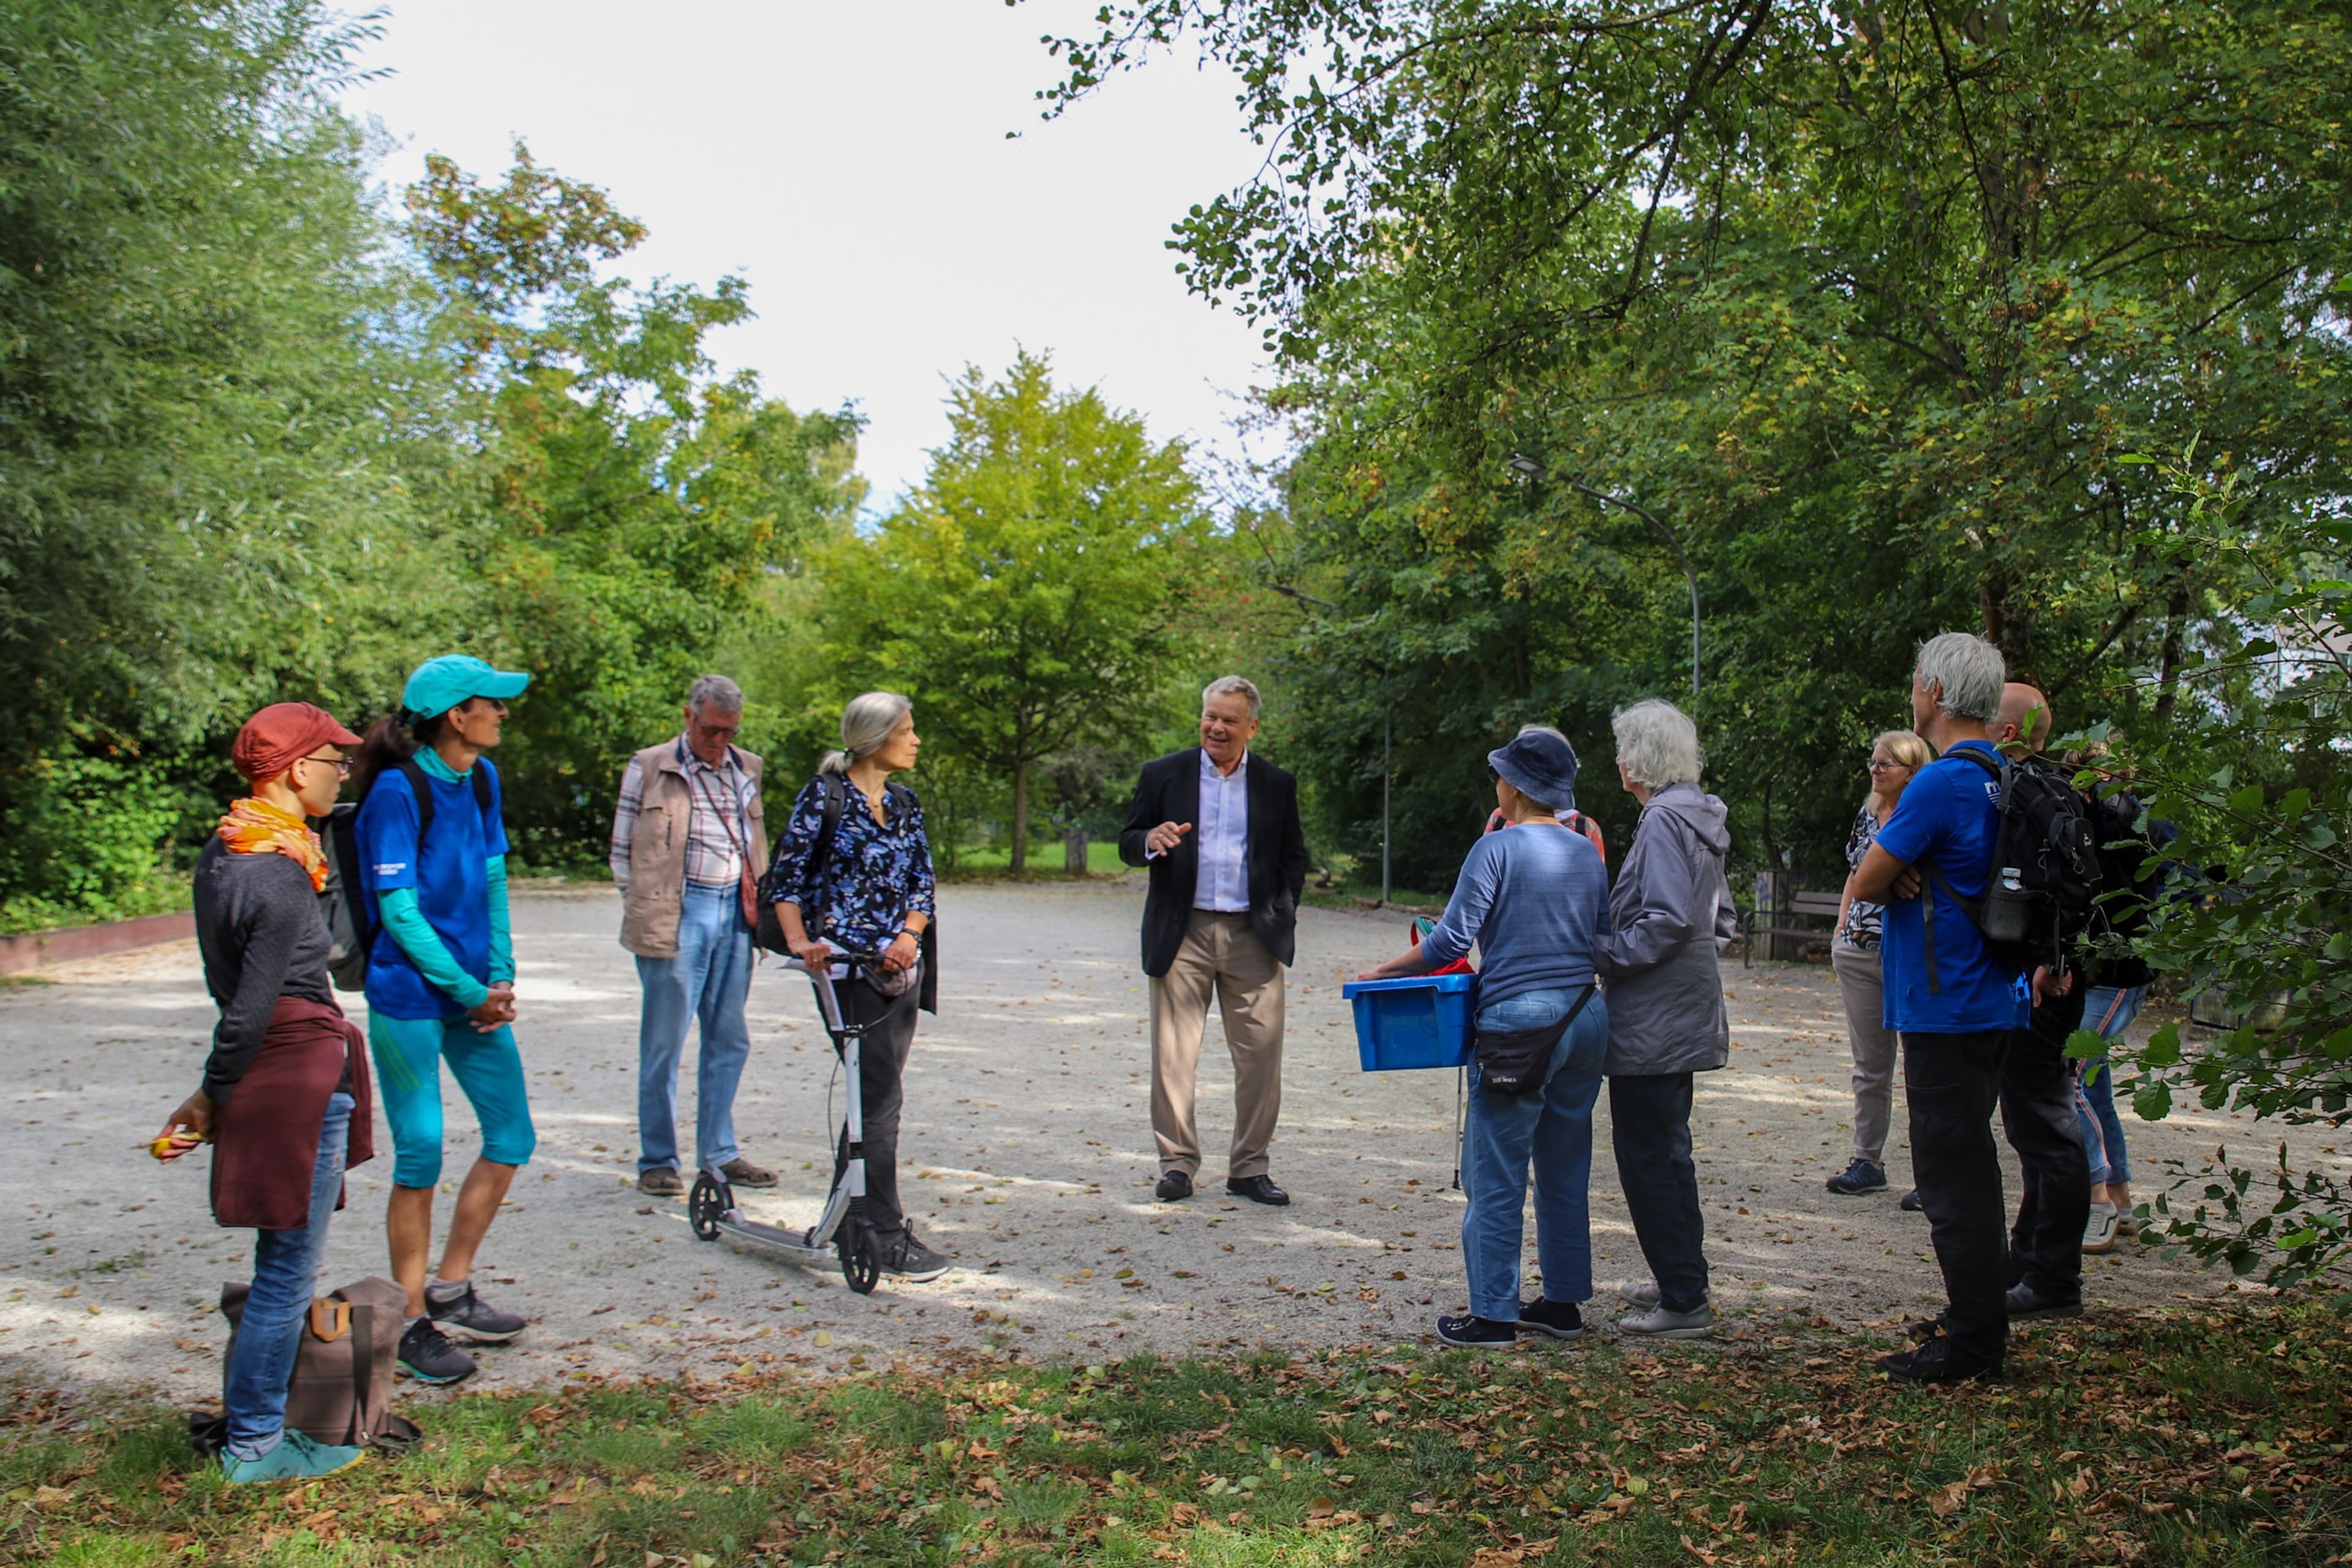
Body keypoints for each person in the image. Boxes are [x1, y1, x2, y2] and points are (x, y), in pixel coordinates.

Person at [156, 703, 374, 1483]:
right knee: (287, 1269)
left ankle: (255, 1423)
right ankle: (254, 1444)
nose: (342, 772)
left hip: (270, 1074)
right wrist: (212, 1093)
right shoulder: (280, 874)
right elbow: (251, 1008)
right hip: (296, 1077)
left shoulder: (226, 850)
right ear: (292, 770)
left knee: (278, 1258)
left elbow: (231, 989)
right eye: (332, 761)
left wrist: (219, 1090)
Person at [1355, 728, 1611, 1347]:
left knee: (1496, 1171)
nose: (1495, 782)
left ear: (1515, 787)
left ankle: (1493, 1314)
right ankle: (1562, 1303)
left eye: (1500, 774)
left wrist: (1383, 971)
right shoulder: (1584, 850)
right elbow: (1602, 938)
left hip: (1520, 1027)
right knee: (1564, 1165)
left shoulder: (1493, 848)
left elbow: (1449, 940)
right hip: (1585, 1019)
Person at [1849, 632, 2032, 1384]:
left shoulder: (1940, 782)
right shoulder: (2002, 773)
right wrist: (1901, 872)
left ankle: (1975, 1347)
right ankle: (1976, 1318)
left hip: (1944, 1000)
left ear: (1932, 689)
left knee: (1953, 1179)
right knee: (1974, 1169)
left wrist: (1894, 872)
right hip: (1994, 992)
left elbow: (1865, 878)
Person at [352, 655, 537, 1387]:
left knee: (512, 1135)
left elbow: (492, 877)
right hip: (409, 998)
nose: (503, 712)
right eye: (493, 703)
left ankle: (452, 1286)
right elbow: (398, 913)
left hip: (473, 996)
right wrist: (467, 990)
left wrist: (500, 972)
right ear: (457, 714)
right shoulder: (396, 793)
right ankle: (408, 1318)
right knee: (420, 1152)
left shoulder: (482, 779)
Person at [765, 691, 945, 1282]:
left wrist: (910, 938)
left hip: (900, 968)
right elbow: (787, 881)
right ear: (877, 738)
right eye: (909, 730)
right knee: (878, 1096)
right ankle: (882, 1232)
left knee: (874, 1096)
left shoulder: (905, 803)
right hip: (846, 968)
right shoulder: (825, 797)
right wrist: (800, 944)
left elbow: (923, 883)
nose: (917, 740)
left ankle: (853, 1219)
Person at [1118, 676, 1311, 1207]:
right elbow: (1129, 839)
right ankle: (1177, 1163)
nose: (1217, 728)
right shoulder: (1163, 774)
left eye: (1229, 720)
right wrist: (1150, 843)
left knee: (1260, 1060)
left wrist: (1281, 909)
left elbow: (1294, 856)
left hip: (1254, 935)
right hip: (1183, 932)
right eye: (1210, 716)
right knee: (1174, 1057)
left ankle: (1249, 1169)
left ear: (1252, 726)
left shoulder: (1276, 783)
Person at [1596, 698, 1736, 1340]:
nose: (1619, 759)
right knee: (1669, 1152)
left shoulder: (1661, 823)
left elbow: (1667, 919)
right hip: (1682, 1010)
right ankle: (1682, 1277)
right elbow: (1722, 922)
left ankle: (1684, 1299)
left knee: (1648, 1156)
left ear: (1643, 760)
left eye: (1625, 747)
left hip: (1652, 1018)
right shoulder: (1699, 819)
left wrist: (1601, 954)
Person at [612, 675, 772, 1199]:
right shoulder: (651, 765)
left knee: (729, 1038)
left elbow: (755, 842)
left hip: (734, 915)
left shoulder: (747, 768)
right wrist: (647, 909)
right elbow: (621, 852)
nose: (719, 741)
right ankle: (658, 1159)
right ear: (689, 716)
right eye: (710, 730)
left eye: (729, 731)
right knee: (664, 1042)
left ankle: (720, 1154)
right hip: (677, 913)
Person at [1989, 680, 2091, 1320]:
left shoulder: (2027, 795)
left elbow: (2056, 889)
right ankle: (2030, 1259)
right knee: (2034, 1126)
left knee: (2048, 1127)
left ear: (2005, 734)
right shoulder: (2058, 791)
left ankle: (2053, 1277)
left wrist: (2051, 963)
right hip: (2047, 977)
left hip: (2042, 985)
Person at [1825, 729, 1932, 1200]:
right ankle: (1867, 1161)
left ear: (1912, 771)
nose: (1875, 769)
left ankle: (1935, 1174)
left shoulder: (1925, 813)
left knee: (1925, 1066)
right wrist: (1841, 927)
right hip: (1859, 951)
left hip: (1910, 952)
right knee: (1871, 1066)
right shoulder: (1868, 814)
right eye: (1874, 762)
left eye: (1885, 763)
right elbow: (1856, 872)